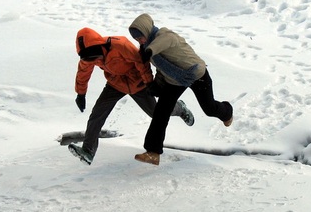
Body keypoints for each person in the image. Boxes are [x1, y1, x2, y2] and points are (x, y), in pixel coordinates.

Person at [68, 27, 194, 165]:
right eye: (89, 58)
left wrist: (148, 83)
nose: (94, 60)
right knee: (97, 114)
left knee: (156, 112)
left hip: (137, 84)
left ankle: (180, 108)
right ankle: (88, 151)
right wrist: (81, 94)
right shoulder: (88, 56)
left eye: (94, 56)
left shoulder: (120, 45)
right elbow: (83, 72)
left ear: (99, 45)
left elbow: (141, 62)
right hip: (115, 84)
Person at [128, 13, 233, 166]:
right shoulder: (146, 48)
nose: (140, 41)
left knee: (209, 108)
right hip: (175, 80)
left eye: (140, 37)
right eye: (136, 40)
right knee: (161, 112)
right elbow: (161, 68)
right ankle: (153, 152)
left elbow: (162, 43)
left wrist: (149, 51)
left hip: (196, 74)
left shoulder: (165, 35)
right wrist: (156, 85)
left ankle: (227, 112)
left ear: (147, 31)